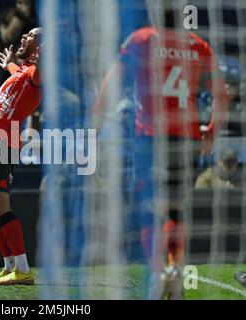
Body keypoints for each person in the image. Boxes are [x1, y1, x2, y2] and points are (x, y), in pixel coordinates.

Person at [93, 6, 229, 299]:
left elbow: (111, 83)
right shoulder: (198, 45)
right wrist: (211, 131)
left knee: (151, 207)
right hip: (188, 138)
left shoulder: (143, 39)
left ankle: (157, 273)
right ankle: (175, 270)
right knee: (176, 209)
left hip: (151, 137)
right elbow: (222, 95)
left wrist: (94, 125)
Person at [0, 28, 42, 285]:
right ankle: (9, 266)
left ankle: (24, 269)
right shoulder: (25, 72)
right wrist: (10, 65)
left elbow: (38, 73)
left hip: (2, 140)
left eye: (30, 36)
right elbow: (21, 74)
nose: (23, 38)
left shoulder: (39, 73)